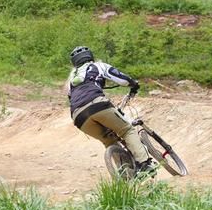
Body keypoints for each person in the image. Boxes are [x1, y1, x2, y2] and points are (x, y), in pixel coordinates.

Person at [66, 46, 155, 175]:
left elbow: (71, 98)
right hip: (97, 104)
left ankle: (126, 174)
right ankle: (145, 164)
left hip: (78, 117)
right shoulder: (98, 66)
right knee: (127, 130)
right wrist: (133, 84)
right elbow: (122, 79)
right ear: (90, 56)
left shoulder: (71, 80)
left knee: (109, 141)